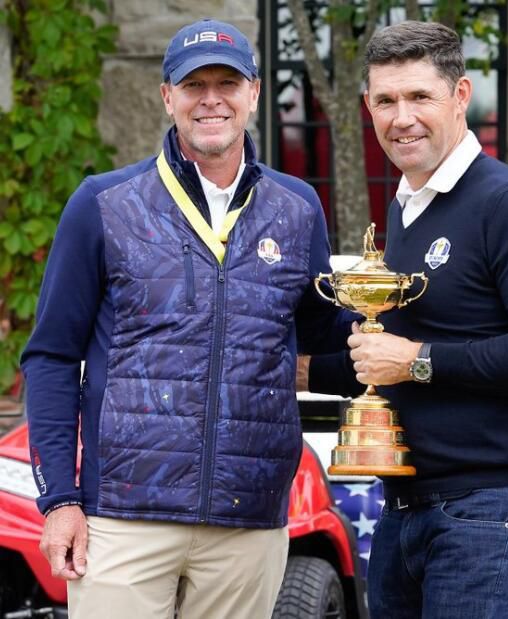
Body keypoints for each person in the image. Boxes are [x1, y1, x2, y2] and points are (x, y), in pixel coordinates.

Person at [21, 18, 352, 619]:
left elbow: (321, 336)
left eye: (227, 82)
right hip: (122, 518)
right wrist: (60, 500)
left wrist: (410, 346)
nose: (211, 99)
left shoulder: (297, 208)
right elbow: (49, 358)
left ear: (253, 93)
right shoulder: (103, 204)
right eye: (193, 84)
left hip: (246, 520)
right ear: (167, 96)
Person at [305, 20, 508, 618]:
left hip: (490, 513)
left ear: (460, 96)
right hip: (406, 508)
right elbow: (392, 355)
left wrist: (416, 362)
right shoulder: (407, 209)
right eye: (385, 100)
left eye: (419, 97)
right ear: (368, 107)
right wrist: (303, 370)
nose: (401, 117)